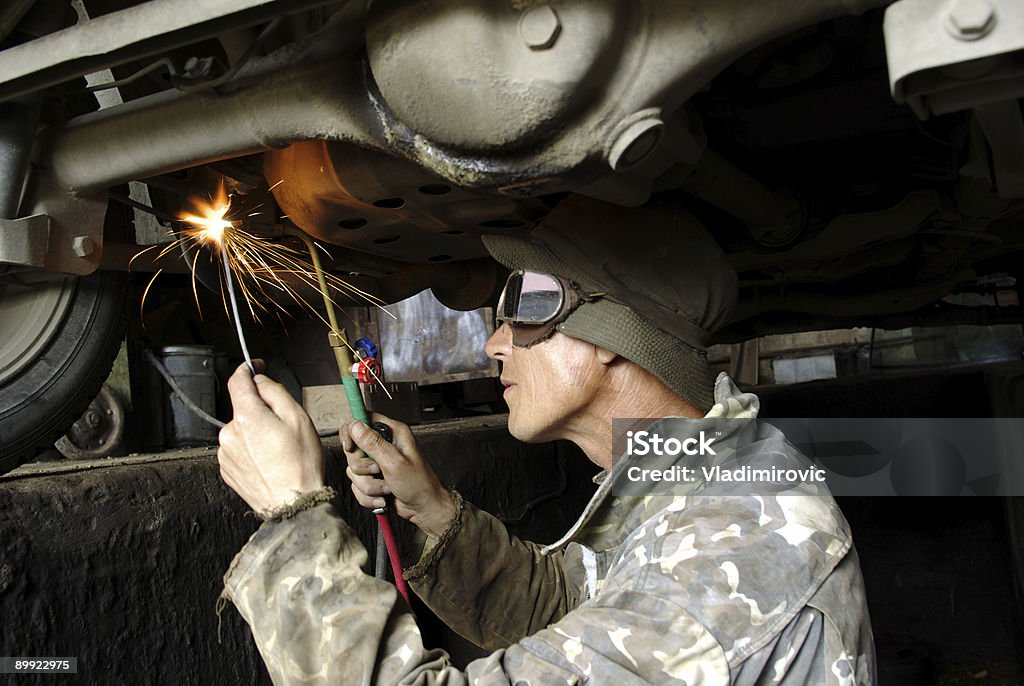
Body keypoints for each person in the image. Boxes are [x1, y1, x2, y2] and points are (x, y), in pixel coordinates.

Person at [217, 196, 875, 685]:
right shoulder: (699, 478)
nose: (494, 343)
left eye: (527, 308)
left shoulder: (739, 540)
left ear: (616, 339)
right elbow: (568, 611)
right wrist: (433, 512)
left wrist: (293, 519)